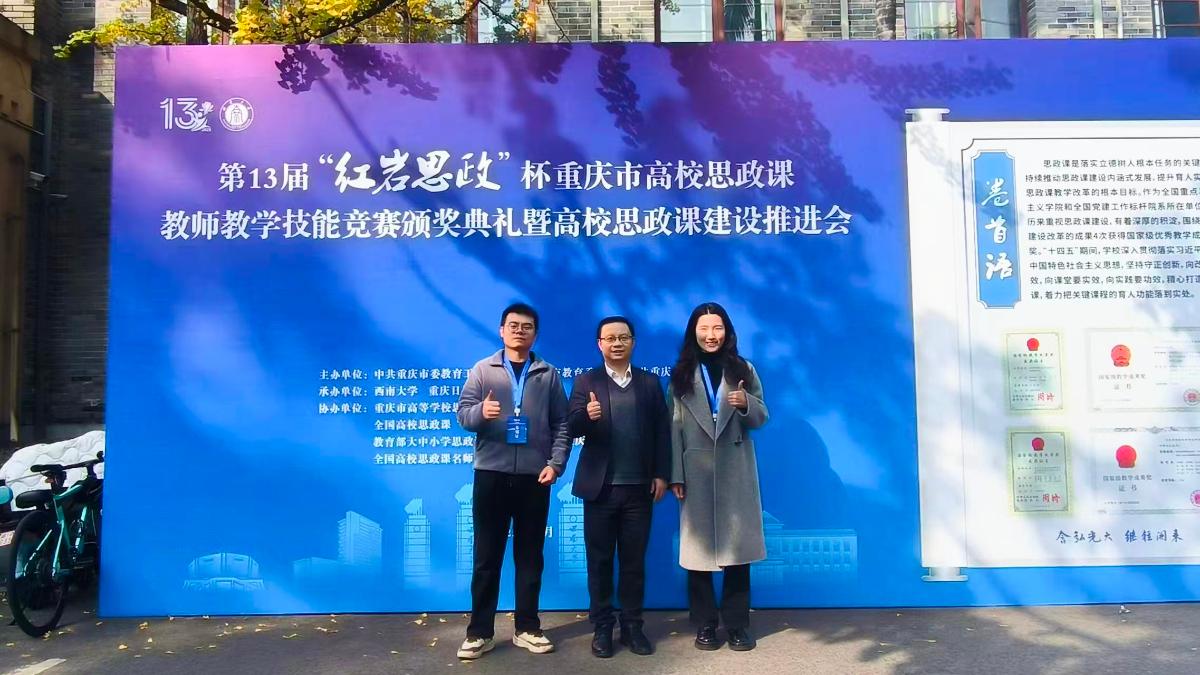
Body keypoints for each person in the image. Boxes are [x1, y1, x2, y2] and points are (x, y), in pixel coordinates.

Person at [455, 303, 571, 659]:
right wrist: (482, 412)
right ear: (501, 330)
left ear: (535, 333)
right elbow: (463, 415)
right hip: (491, 475)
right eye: (514, 325)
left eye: (527, 326)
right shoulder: (482, 370)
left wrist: (556, 465)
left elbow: (562, 424)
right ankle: (479, 632)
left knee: (530, 556)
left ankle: (527, 628)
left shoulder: (548, 374)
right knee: (486, 557)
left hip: (535, 477)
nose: (520, 331)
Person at [567, 316, 670, 658]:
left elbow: (662, 432)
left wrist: (661, 474)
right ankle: (601, 627)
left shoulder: (649, 383)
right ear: (599, 344)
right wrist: (588, 416)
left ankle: (632, 626)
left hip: (639, 489)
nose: (616, 343)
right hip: (601, 489)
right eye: (609, 338)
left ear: (633, 342)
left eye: (623, 337)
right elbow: (571, 426)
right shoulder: (586, 381)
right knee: (599, 562)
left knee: (633, 563)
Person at [668, 302, 769, 652]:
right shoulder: (681, 374)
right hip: (696, 471)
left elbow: (761, 416)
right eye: (704, 329)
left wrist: (746, 404)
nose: (711, 335)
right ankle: (705, 624)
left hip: (735, 468)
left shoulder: (743, 368)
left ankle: (737, 625)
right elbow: (673, 427)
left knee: (738, 555)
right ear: (693, 332)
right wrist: (675, 474)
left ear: (727, 332)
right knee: (697, 556)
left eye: (717, 328)